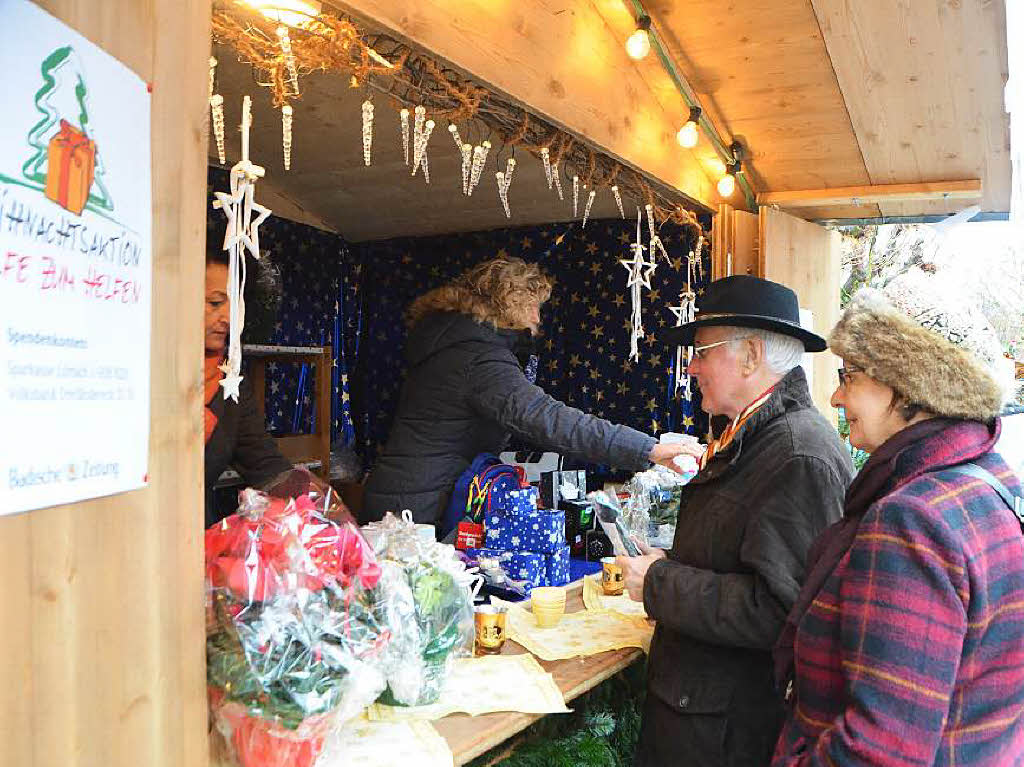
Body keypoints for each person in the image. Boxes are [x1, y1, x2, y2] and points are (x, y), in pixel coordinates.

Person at [772, 288, 1024, 765]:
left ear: (908, 387)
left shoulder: (913, 519)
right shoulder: (990, 480)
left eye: (851, 377)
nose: (836, 395)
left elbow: (879, 751)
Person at [619, 275, 855, 767]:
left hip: (727, 733)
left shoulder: (796, 453)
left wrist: (660, 582)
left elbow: (780, 610)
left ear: (750, 356)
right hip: (703, 716)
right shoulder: (752, 436)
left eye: (703, 350)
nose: (691, 364)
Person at [361, 256, 690, 525]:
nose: (537, 317)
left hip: (405, 495)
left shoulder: (454, 343)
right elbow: (546, 418)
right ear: (508, 305)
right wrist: (648, 450)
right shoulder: (478, 358)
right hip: (415, 510)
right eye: (532, 306)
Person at [203, 248, 292, 527]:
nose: (228, 318)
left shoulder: (229, 378)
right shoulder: (140, 373)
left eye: (234, 305)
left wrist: (314, 513)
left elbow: (264, 461)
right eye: (216, 302)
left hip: (193, 540)